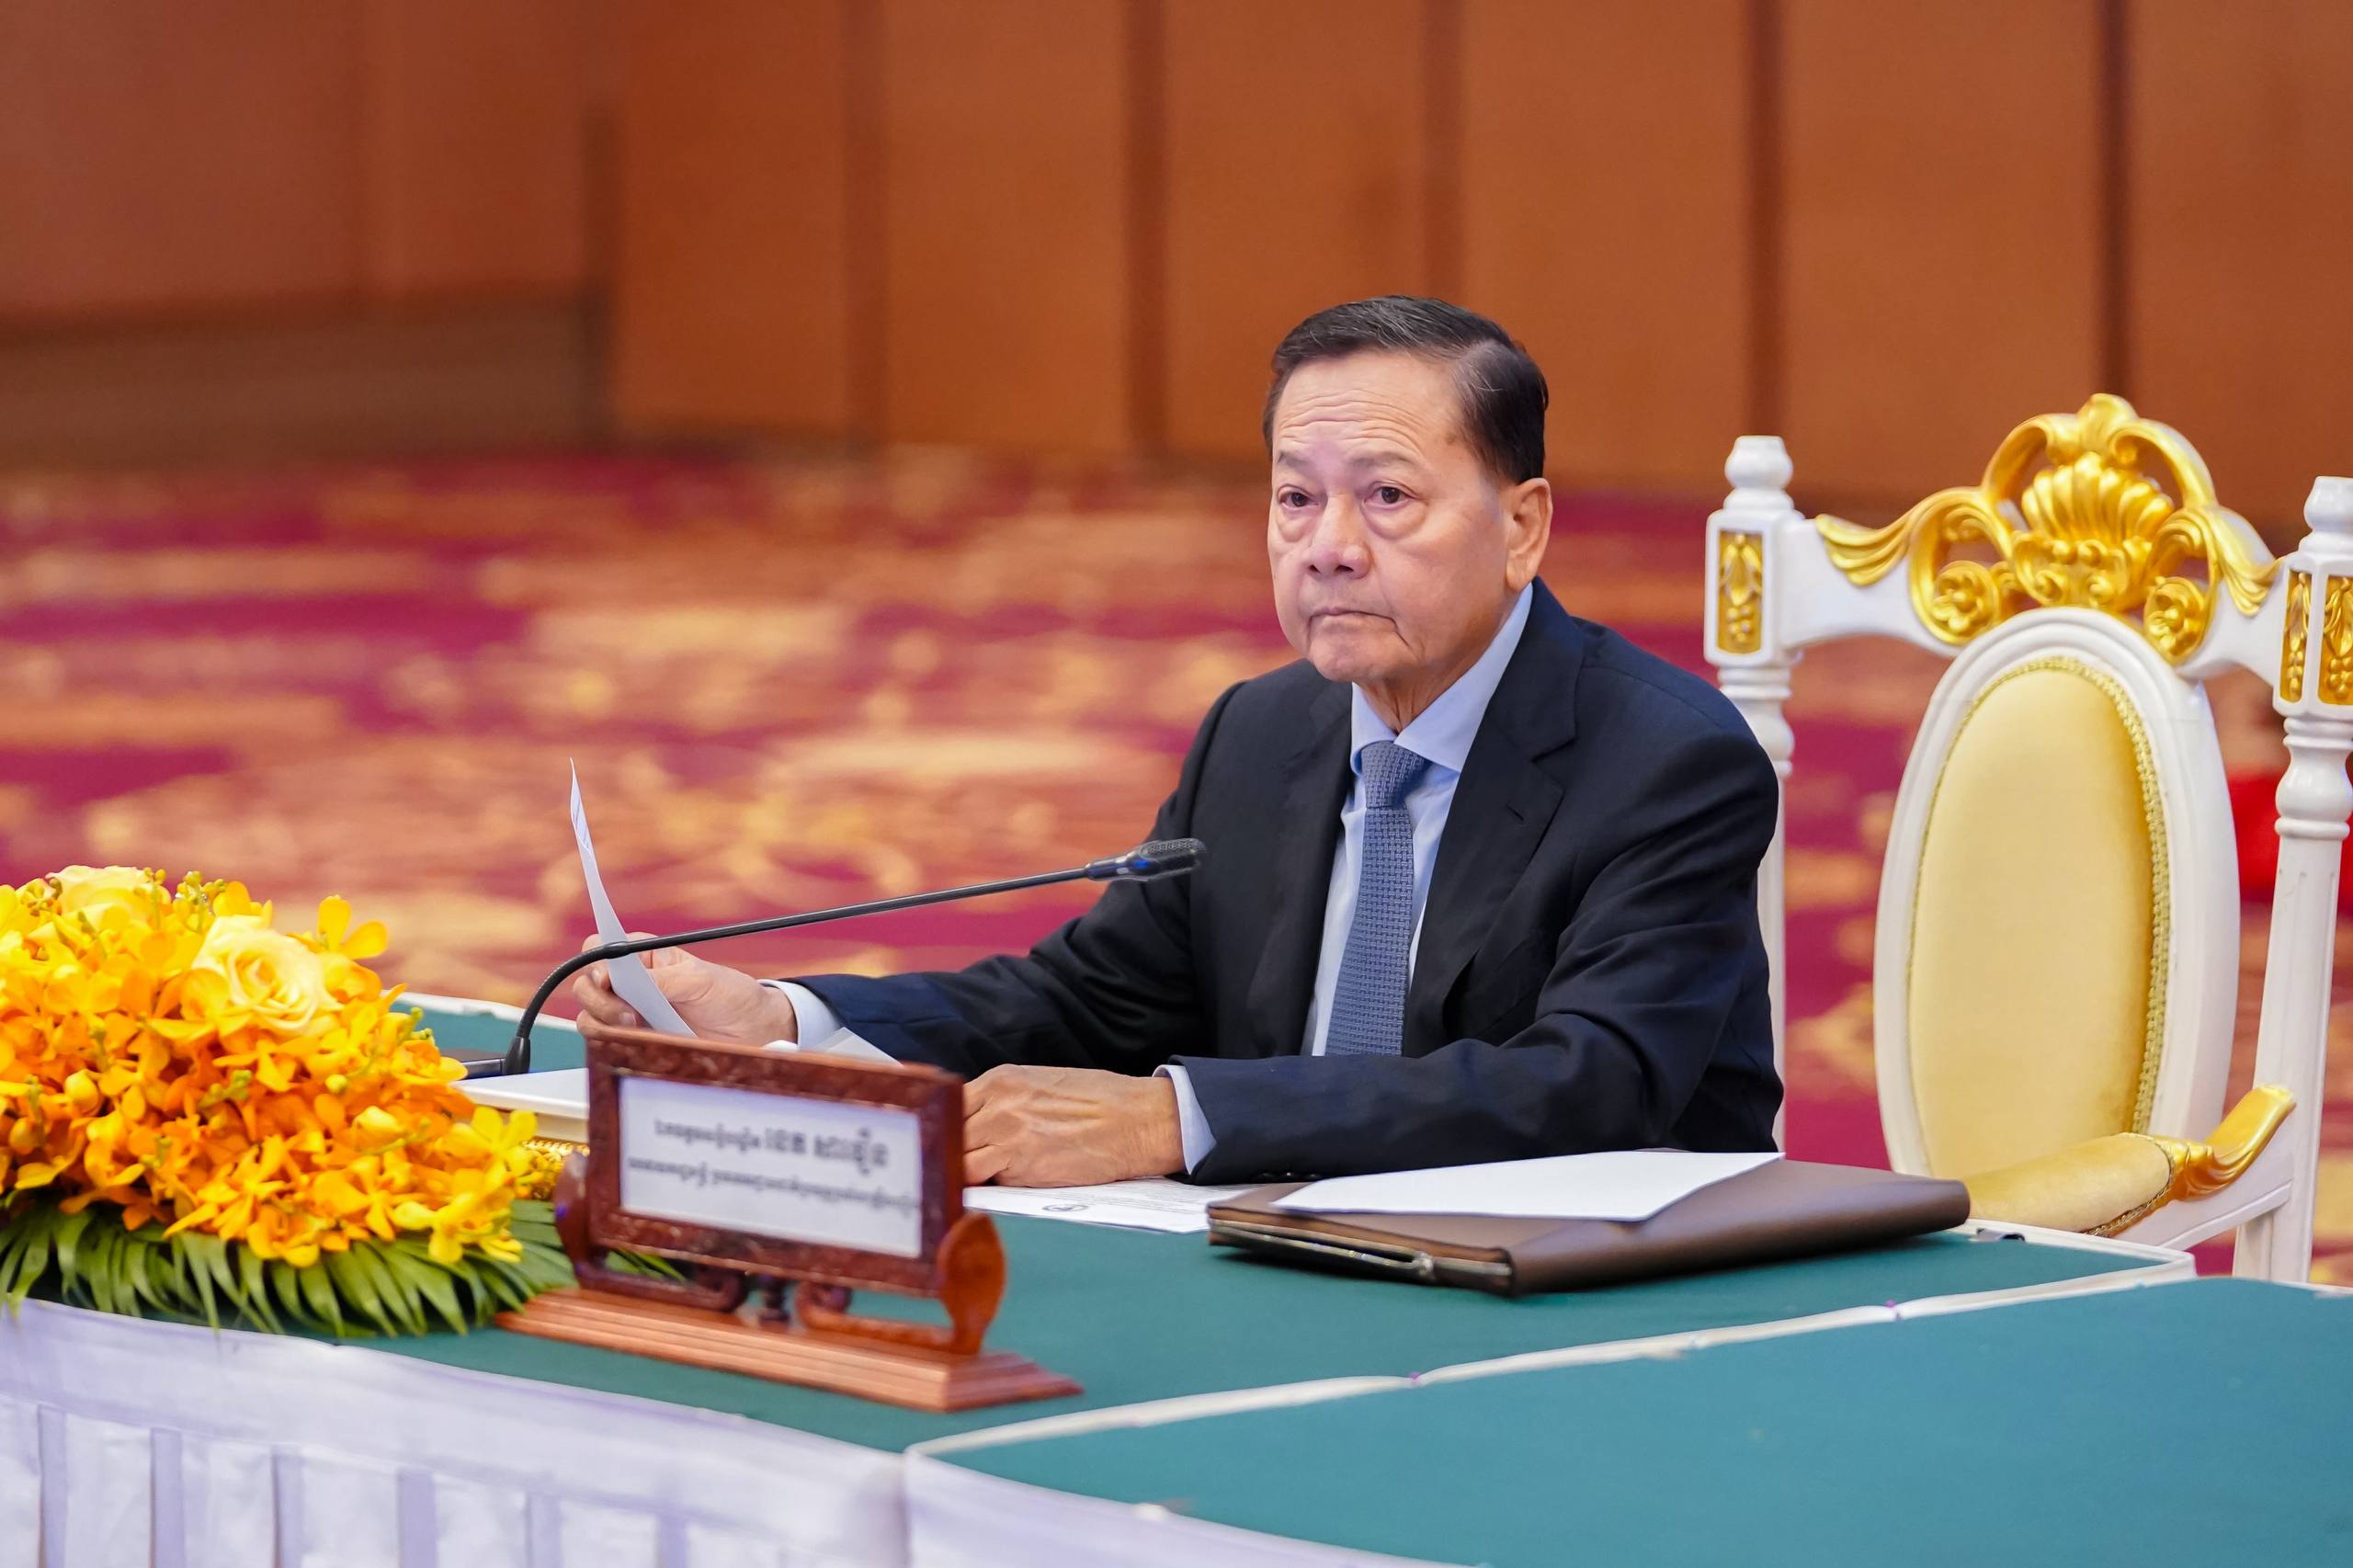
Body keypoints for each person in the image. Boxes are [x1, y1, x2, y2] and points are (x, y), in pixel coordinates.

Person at [574, 295, 1781, 1187]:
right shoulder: (1262, 732)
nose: (1329, 548)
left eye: (1388, 497)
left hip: (1593, 1318)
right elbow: (1086, 1000)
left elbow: (1589, 1083)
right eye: (1296, 497)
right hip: (1288, 1261)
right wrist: (784, 1020)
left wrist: (1176, 1118)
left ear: (1522, 528)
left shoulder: (1666, 763)